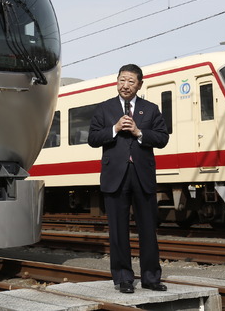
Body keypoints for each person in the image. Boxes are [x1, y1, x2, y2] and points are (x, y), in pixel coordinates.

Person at [88, 63, 169, 294]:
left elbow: (163, 138)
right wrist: (113, 129)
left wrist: (139, 132)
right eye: (122, 80)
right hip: (115, 176)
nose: (125, 85)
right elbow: (93, 138)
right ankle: (123, 278)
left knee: (148, 229)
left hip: (142, 175)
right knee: (117, 230)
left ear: (140, 84)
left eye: (131, 81)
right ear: (117, 81)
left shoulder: (151, 109)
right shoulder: (104, 109)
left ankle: (151, 277)